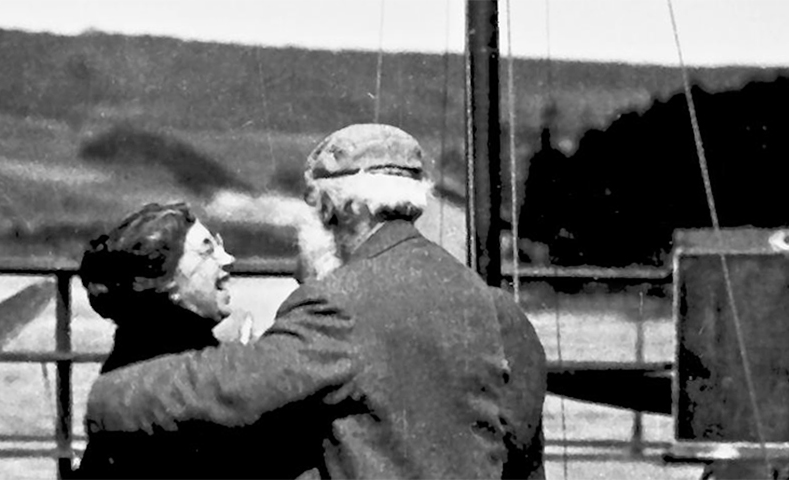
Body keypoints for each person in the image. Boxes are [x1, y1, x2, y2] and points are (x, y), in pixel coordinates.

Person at [86, 123, 548, 479]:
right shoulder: (496, 309)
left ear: (338, 209)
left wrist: (112, 397)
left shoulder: (340, 304)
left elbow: (234, 386)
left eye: (315, 206)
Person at [72, 202, 284, 478]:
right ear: (168, 281)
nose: (227, 259)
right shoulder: (167, 365)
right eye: (208, 251)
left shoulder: (140, 346)